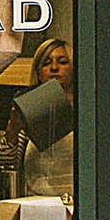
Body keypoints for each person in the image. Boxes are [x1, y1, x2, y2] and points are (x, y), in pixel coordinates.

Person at [7, 38, 75, 197]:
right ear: (38, 72)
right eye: (46, 63)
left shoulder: (88, 108)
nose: (54, 68)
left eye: (63, 62)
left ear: (73, 67)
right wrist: (12, 133)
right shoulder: (31, 106)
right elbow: (7, 167)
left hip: (78, 204)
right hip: (36, 203)